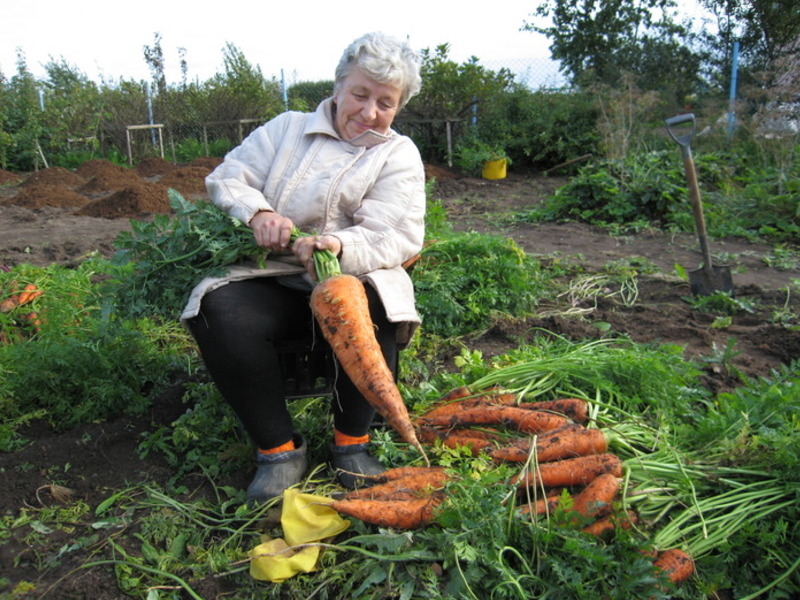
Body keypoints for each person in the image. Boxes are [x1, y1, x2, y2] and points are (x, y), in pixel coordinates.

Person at [181, 32, 426, 504]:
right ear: (338, 87)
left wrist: (336, 244)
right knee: (219, 309)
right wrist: (258, 214)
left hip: (351, 277)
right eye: (360, 94)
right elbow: (229, 177)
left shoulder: (398, 154)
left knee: (372, 307)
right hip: (270, 275)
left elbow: (395, 234)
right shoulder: (286, 128)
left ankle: (352, 444)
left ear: (399, 107)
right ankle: (277, 450)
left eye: (386, 102)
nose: (369, 112)